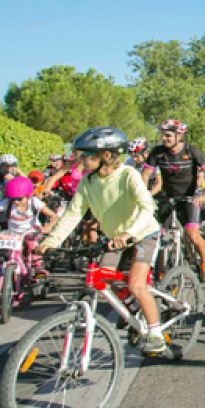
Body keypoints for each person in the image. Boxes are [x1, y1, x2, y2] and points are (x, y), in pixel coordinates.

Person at [36, 127, 166, 353]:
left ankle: (155, 333)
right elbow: (73, 214)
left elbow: (148, 207)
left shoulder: (128, 175)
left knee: (136, 283)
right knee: (103, 281)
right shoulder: (88, 182)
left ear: (106, 156)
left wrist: (129, 234)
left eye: (85, 156)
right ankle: (131, 305)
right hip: (114, 237)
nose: (80, 161)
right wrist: (52, 241)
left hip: (142, 233)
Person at [142, 119, 205, 282]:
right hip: (167, 197)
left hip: (189, 197)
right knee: (160, 235)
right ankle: (161, 272)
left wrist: (204, 194)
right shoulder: (158, 153)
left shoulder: (191, 151)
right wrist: (141, 194)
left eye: (168, 136)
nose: (164, 139)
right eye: (163, 135)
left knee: (192, 233)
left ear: (180, 136)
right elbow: (145, 175)